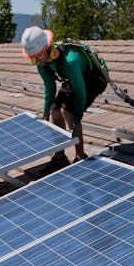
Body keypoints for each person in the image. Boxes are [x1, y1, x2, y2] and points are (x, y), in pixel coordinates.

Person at [21, 26, 108, 166]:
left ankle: (80, 155)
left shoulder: (70, 60)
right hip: (71, 79)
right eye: (32, 59)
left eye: (37, 58)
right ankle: (60, 156)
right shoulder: (42, 64)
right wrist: (45, 115)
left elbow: (80, 92)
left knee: (69, 111)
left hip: (93, 79)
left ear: (46, 50)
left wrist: (78, 116)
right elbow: (50, 88)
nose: (36, 62)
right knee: (54, 109)